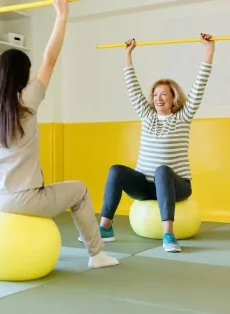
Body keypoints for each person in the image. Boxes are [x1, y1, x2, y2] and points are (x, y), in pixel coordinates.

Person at [0, 0, 119, 269]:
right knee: (80, 191)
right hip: (22, 200)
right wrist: (61, 15)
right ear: (21, 76)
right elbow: (49, 59)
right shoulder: (28, 100)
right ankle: (97, 254)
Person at [83, 33, 215, 253]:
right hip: (145, 185)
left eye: (164, 94)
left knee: (163, 170)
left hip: (177, 185)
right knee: (116, 170)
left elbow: (200, 84)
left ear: (174, 97)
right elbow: (132, 87)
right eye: (155, 94)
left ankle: (169, 234)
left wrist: (209, 51)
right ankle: (105, 229)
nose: (158, 98)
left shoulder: (183, 116)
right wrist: (127, 55)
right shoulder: (147, 115)